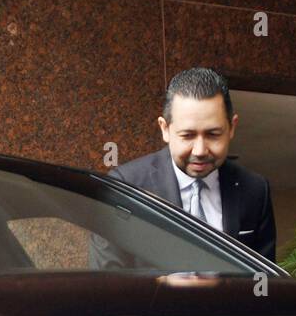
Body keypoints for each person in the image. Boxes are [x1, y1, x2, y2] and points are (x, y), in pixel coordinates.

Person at [105, 67, 276, 260]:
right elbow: (107, 279)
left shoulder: (255, 190)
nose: (200, 151)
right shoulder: (126, 185)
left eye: (213, 135)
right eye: (188, 135)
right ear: (165, 129)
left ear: (231, 128)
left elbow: (265, 282)